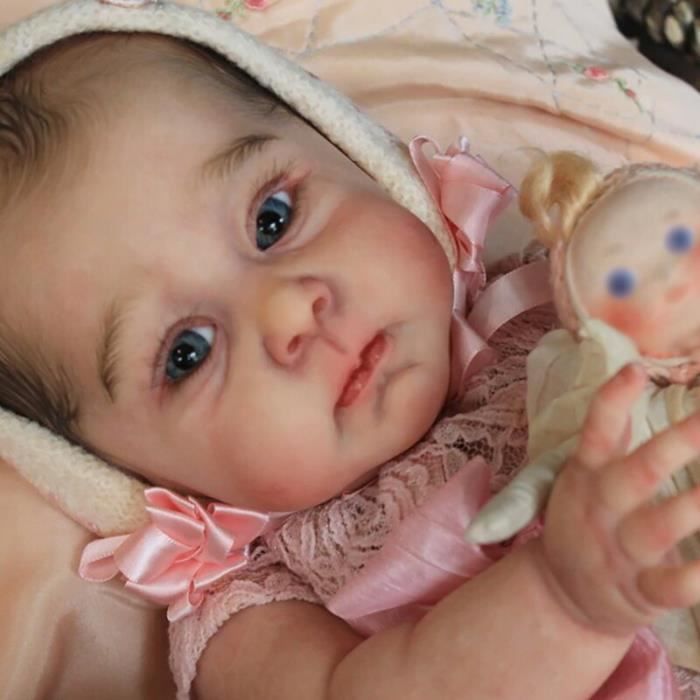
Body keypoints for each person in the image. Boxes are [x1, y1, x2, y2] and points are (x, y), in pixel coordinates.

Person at [2, 2, 700, 699]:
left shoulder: (543, 296)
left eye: (273, 219)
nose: (289, 312)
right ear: (120, 476)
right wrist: (564, 602)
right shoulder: (252, 611)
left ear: (354, 153)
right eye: (189, 352)